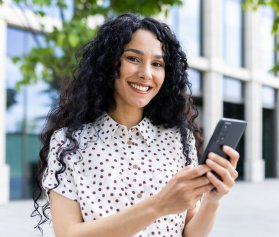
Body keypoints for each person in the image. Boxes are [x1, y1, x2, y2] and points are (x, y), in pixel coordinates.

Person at [32, 13, 240, 237]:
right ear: (110, 63)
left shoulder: (179, 138)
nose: (146, 74)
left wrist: (212, 200)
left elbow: (190, 233)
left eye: (157, 64)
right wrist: (159, 205)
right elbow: (67, 234)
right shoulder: (69, 142)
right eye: (133, 59)